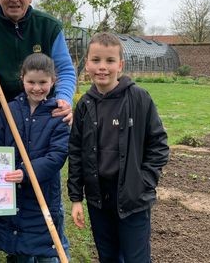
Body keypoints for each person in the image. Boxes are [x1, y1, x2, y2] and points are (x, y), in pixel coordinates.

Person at [67, 32, 169, 262]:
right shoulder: (84, 104)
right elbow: (75, 152)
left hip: (133, 199)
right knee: (108, 256)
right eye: (96, 60)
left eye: (110, 61)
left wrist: (143, 182)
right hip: (98, 199)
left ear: (120, 65)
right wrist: (76, 198)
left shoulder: (139, 99)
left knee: (136, 258)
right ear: (87, 64)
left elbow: (159, 145)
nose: (102, 67)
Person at [0, 53, 70, 262]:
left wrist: (26, 172)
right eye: (31, 82)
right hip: (14, 192)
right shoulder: (10, 110)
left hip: (42, 192)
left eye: (43, 82)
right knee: (19, 249)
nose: (37, 88)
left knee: (46, 247)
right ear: (22, 79)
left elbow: (58, 155)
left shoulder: (57, 114)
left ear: (53, 81)